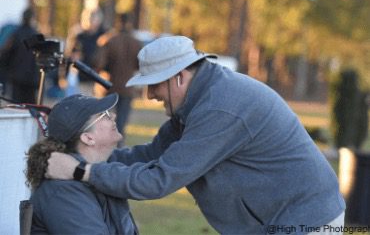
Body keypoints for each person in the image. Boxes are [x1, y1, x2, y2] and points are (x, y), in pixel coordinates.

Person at [46, 36, 346, 234]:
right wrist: (76, 156)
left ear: (179, 77)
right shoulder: (195, 102)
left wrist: (80, 171)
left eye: (155, 85)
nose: (150, 95)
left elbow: (157, 180)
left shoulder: (220, 109)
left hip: (307, 222)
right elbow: (150, 155)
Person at [26, 93, 139, 234]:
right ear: (87, 137)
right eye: (104, 114)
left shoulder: (94, 173)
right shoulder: (63, 192)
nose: (114, 116)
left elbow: (153, 162)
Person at [95, 12, 142, 143]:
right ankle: (119, 149)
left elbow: (99, 64)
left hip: (109, 87)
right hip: (128, 87)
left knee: (104, 121)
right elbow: (140, 64)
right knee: (121, 124)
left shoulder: (108, 40)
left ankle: (103, 148)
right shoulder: (136, 42)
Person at [0, 8, 39, 103]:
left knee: (17, 105)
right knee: (30, 106)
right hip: (31, 78)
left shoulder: (16, 33)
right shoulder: (35, 35)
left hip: (17, 77)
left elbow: (6, 53)